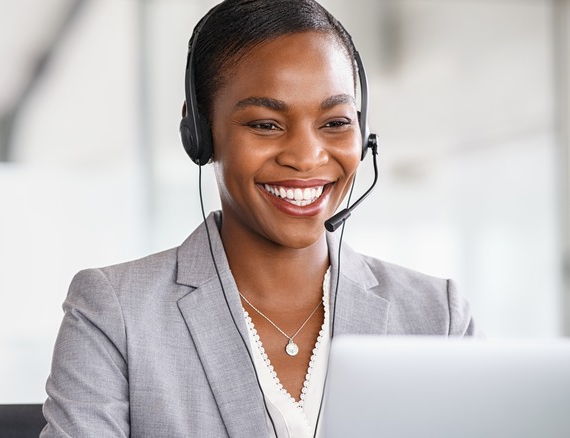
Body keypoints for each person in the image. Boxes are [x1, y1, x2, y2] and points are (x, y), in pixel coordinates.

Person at [41, 0, 479, 436]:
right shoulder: (115, 314)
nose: (306, 158)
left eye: (335, 122)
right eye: (266, 124)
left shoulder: (435, 317)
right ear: (200, 134)